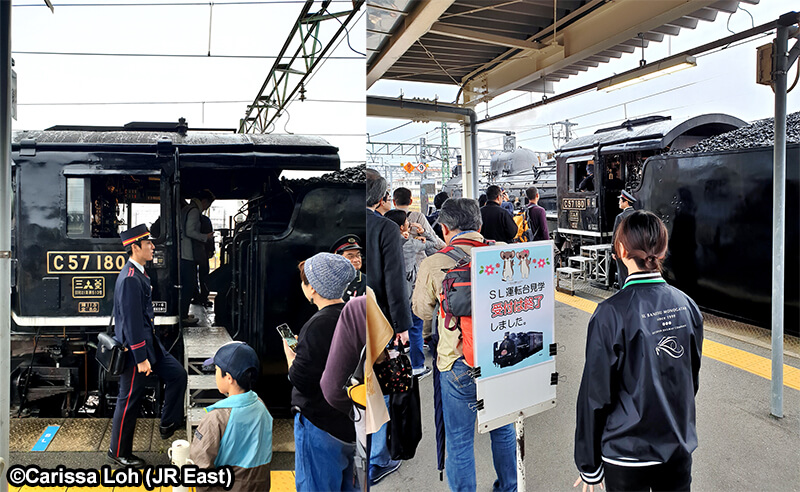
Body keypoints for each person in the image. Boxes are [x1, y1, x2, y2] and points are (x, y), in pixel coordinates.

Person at [574, 210, 703, 492]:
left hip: (626, 454)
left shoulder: (609, 313)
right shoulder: (688, 306)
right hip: (677, 446)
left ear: (621, 250)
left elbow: (595, 396)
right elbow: (689, 380)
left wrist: (589, 466)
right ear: (663, 249)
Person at [412, 198, 517, 492]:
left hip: (457, 362)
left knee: (459, 439)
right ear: (480, 226)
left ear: (445, 229)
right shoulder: (503, 254)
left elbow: (421, 313)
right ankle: (508, 487)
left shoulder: (433, 263)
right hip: (502, 356)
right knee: (504, 428)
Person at [108, 224, 187, 468]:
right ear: (135, 247)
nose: (153, 247)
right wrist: (141, 357)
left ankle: (168, 422)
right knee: (129, 399)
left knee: (178, 375)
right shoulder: (131, 279)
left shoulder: (140, 273)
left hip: (151, 347)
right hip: (136, 352)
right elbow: (132, 323)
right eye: (148, 244)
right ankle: (117, 451)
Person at [283, 253, 358, 492]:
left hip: (320, 425)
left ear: (313, 288)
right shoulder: (351, 316)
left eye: (305, 281)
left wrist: (291, 354)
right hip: (349, 423)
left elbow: (300, 379)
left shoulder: (317, 325)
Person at [364, 169, 408, 485]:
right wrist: (402, 326)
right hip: (378, 322)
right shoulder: (386, 228)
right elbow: (395, 284)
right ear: (382, 199)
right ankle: (377, 459)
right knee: (383, 387)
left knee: (357, 385)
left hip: (345, 317)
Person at [190, 342, 272, 491]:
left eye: (216, 370)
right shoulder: (261, 407)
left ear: (228, 377)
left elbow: (201, 470)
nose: (215, 374)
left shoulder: (216, 418)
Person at [384, 209, 437, 379]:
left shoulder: (383, 242)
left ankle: (396, 365)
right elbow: (433, 243)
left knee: (392, 329)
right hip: (409, 293)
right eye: (406, 222)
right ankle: (417, 367)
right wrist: (423, 232)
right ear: (401, 227)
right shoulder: (409, 243)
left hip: (389, 292)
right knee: (415, 328)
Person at [180, 189, 215, 325]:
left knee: (186, 284)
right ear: (204, 201)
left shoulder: (186, 209)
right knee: (189, 284)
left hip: (182, 252)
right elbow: (190, 231)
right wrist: (205, 237)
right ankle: (183, 316)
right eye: (208, 205)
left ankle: (182, 313)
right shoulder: (194, 211)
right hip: (188, 253)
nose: (206, 208)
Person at [331, 234, 367, 301]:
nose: (356, 260)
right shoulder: (329, 280)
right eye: (351, 256)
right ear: (337, 259)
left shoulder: (368, 283)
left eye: (358, 255)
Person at [612, 190, 637, 287]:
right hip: (635, 248)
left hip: (623, 250)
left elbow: (616, 236)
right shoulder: (637, 215)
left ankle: (624, 293)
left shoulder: (621, 217)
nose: (619, 203)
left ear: (625, 202)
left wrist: (614, 251)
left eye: (620, 201)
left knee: (623, 274)